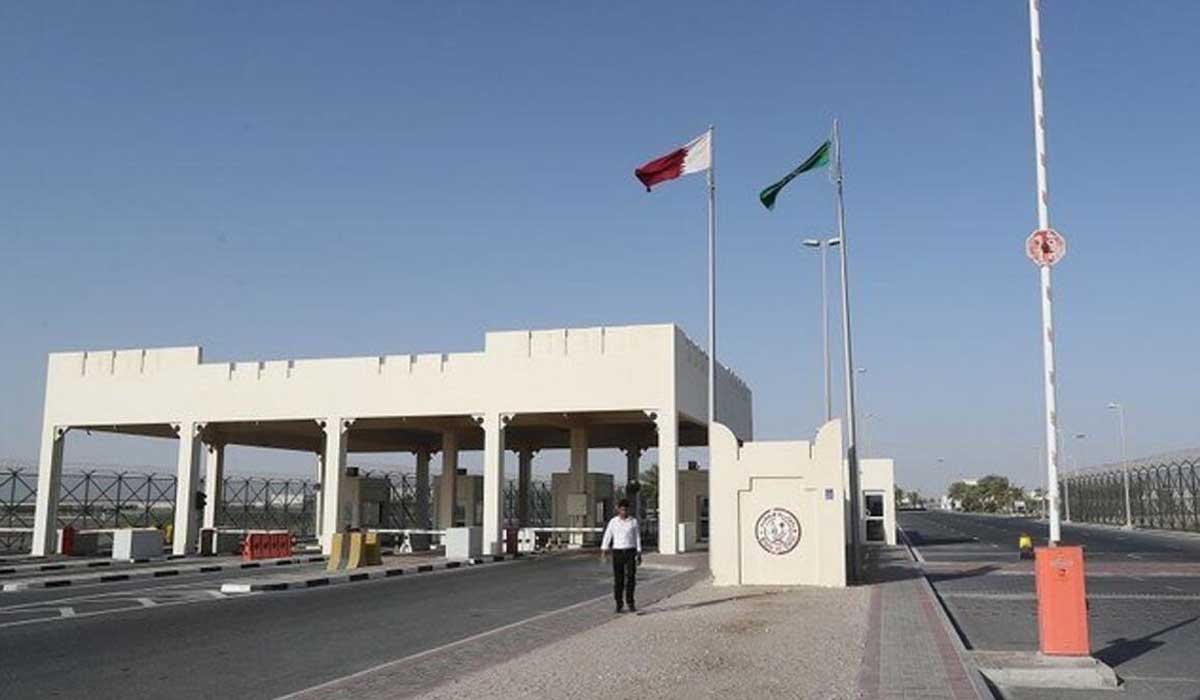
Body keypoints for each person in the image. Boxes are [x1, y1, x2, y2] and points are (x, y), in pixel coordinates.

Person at [600, 498, 642, 613]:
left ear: (629, 510)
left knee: (631, 577)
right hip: (618, 551)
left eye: (626, 510)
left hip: (630, 551)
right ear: (618, 510)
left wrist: (639, 552)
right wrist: (604, 550)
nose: (624, 512)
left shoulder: (633, 522)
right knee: (619, 579)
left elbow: (637, 537)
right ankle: (619, 603)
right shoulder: (613, 522)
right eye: (622, 510)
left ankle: (630, 602)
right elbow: (608, 535)